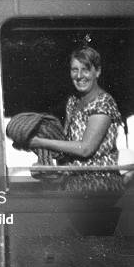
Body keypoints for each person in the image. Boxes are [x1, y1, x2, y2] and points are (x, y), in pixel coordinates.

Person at [29, 46, 123, 193]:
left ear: (97, 72)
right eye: (74, 69)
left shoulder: (104, 102)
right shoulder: (73, 101)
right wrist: (48, 169)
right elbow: (67, 147)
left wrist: (40, 142)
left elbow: (85, 149)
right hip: (73, 184)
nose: (79, 76)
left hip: (100, 186)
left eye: (85, 69)